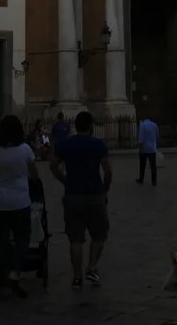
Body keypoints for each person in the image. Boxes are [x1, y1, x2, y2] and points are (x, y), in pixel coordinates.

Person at [50, 110, 112, 290]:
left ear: (75, 126)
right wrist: (104, 189)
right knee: (99, 234)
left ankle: (77, 277)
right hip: (95, 195)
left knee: (75, 240)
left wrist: (65, 180)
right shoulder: (98, 145)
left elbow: (53, 166)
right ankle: (91, 268)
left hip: (72, 195)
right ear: (91, 126)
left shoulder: (64, 145)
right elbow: (108, 170)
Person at [0, 114, 39, 300]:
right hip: (19, 202)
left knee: (0, 240)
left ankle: (0, 277)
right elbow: (34, 174)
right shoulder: (25, 149)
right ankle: (14, 272)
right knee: (23, 238)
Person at [136, 115, 160, 186]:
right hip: (152, 149)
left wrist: (140, 148)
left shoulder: (142, 125)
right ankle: (154, 181)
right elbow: (157, 136)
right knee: (153, 166)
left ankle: (141, 178)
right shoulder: (155, 125)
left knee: (142, 165)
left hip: (144, 149)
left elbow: (141, 138)